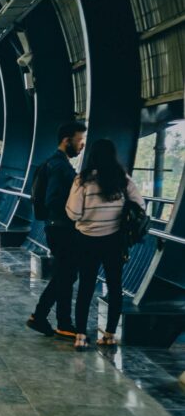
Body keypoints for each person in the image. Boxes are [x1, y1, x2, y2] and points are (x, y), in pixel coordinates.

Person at [66, 139, 145, 349]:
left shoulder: (82, 181)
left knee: (85, 286)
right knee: (115, 285)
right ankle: (110, 335)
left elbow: (73, 213)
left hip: (86, 240)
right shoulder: (122, 179)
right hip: (114, 240)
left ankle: (81, 336)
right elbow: (139, 205)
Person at [26, 121, 87, 339]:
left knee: (66, 274)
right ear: (66, 140)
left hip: (56, 227)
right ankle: (48, 317)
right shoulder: (60, 167)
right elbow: (54, 198)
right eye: (79, 140)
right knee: (66, 273)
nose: (81, 145)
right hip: (62, 228)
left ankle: (54, 320)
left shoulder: (54, 163)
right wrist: (73, 213)